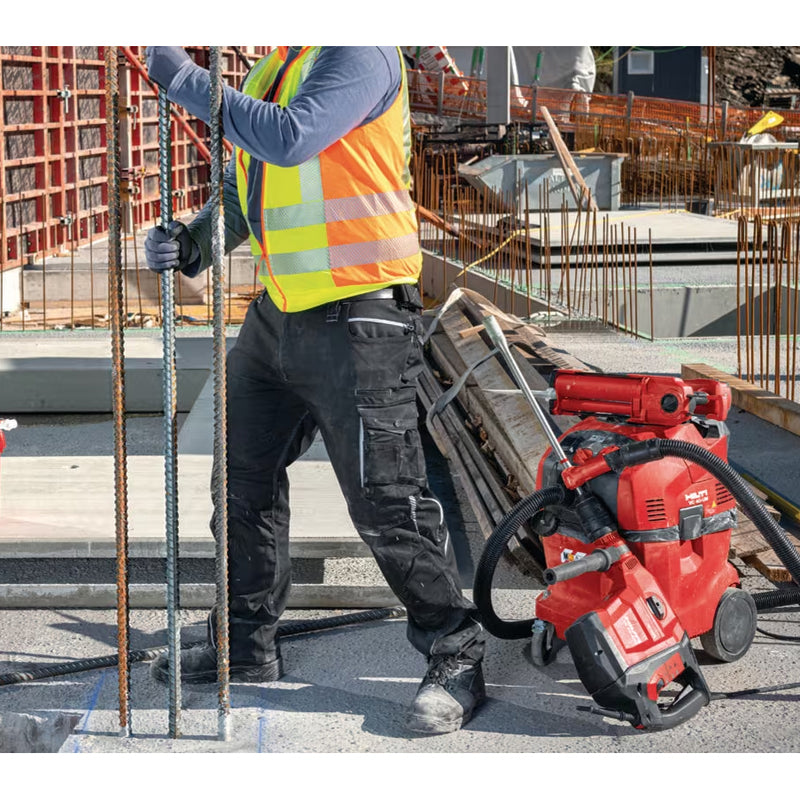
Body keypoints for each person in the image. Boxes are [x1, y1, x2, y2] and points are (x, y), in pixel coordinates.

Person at [143, 46, 486, 735]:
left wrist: (184, 79)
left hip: (360, 314)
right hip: (278, 314)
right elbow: (250, 193)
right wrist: (195, 240)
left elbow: (290, 138)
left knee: (385, 496)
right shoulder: (276, 65)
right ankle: (244, 642)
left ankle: (455, 646)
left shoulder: (357, 48)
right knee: (241, 480)